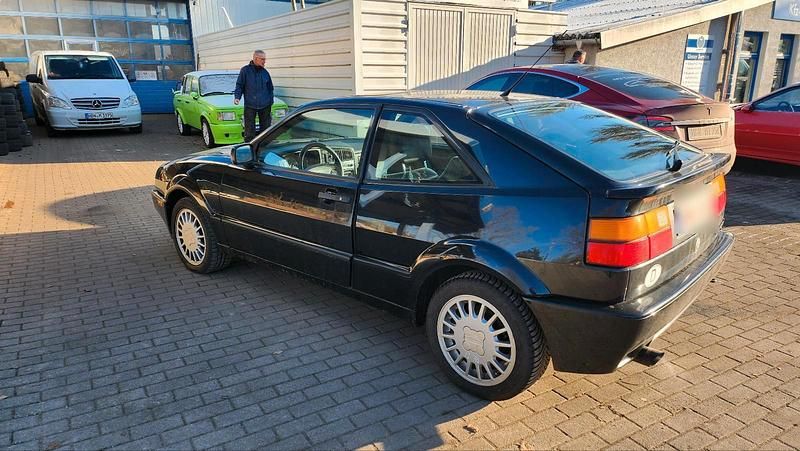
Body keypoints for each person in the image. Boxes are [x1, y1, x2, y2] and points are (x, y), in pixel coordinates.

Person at [234, 50, 274, 142]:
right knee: (249, 131)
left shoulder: (265, 72)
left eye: (265, 59)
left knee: (265, 130)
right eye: (262, 59)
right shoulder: (245, 71)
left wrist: (270, 102)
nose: (264, 61)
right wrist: (237, 97)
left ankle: (264, 146)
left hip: (265, 105)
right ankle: (249, 147)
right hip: (250, 105)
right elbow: (239, 85)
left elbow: (270, 88)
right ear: (256, 59)